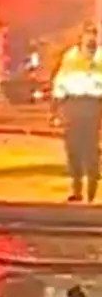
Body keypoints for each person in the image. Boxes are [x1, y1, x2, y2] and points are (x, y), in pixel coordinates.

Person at [52, 23, 102, 202]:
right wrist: (57, 106)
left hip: (93, 105)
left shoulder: (100, 58)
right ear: (80, 37)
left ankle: (92, 189)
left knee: (90, 149)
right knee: (73, 149)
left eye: (93, 35)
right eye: (87, 35)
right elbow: (60, 81)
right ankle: (77, 188)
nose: (91, 39)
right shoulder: (70, 57)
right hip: (73, 105)